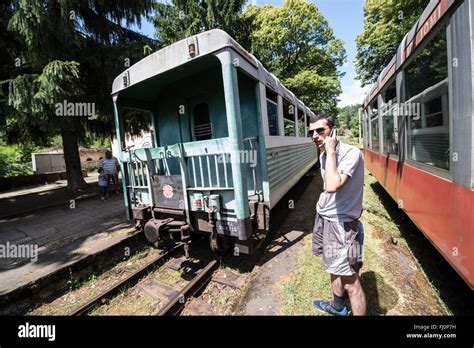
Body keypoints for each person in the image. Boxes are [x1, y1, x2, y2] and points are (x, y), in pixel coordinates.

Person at [310, 114, 366, 316]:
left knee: (351, 281)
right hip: (327, 218)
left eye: (320, 130)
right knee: (333, 266)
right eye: (311, 132)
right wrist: (322, 200)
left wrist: (331, 150)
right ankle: (337, 307)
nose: (315, 136)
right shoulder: (325, 154)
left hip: (342, 224)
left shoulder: (349, 153)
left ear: (333, 131)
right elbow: (328, 187)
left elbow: (333, 185)